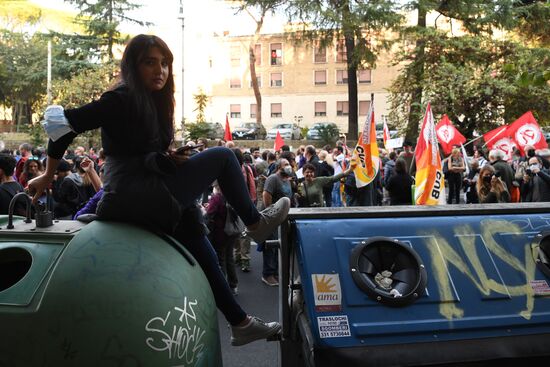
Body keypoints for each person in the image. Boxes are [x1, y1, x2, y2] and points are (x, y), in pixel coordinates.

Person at [28, 34, 289, 347]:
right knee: (223, 157)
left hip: (144, 187)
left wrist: (171, 157)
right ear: (132, 66)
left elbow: (141, 151)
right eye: (150, 62)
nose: (160, 70)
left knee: (193, 227)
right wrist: (46, 174)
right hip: (130, 191)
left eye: (165, 63)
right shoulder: (121, 98)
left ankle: (240, 322)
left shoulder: (153, 102)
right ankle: (255, 224)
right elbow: (63, 127)